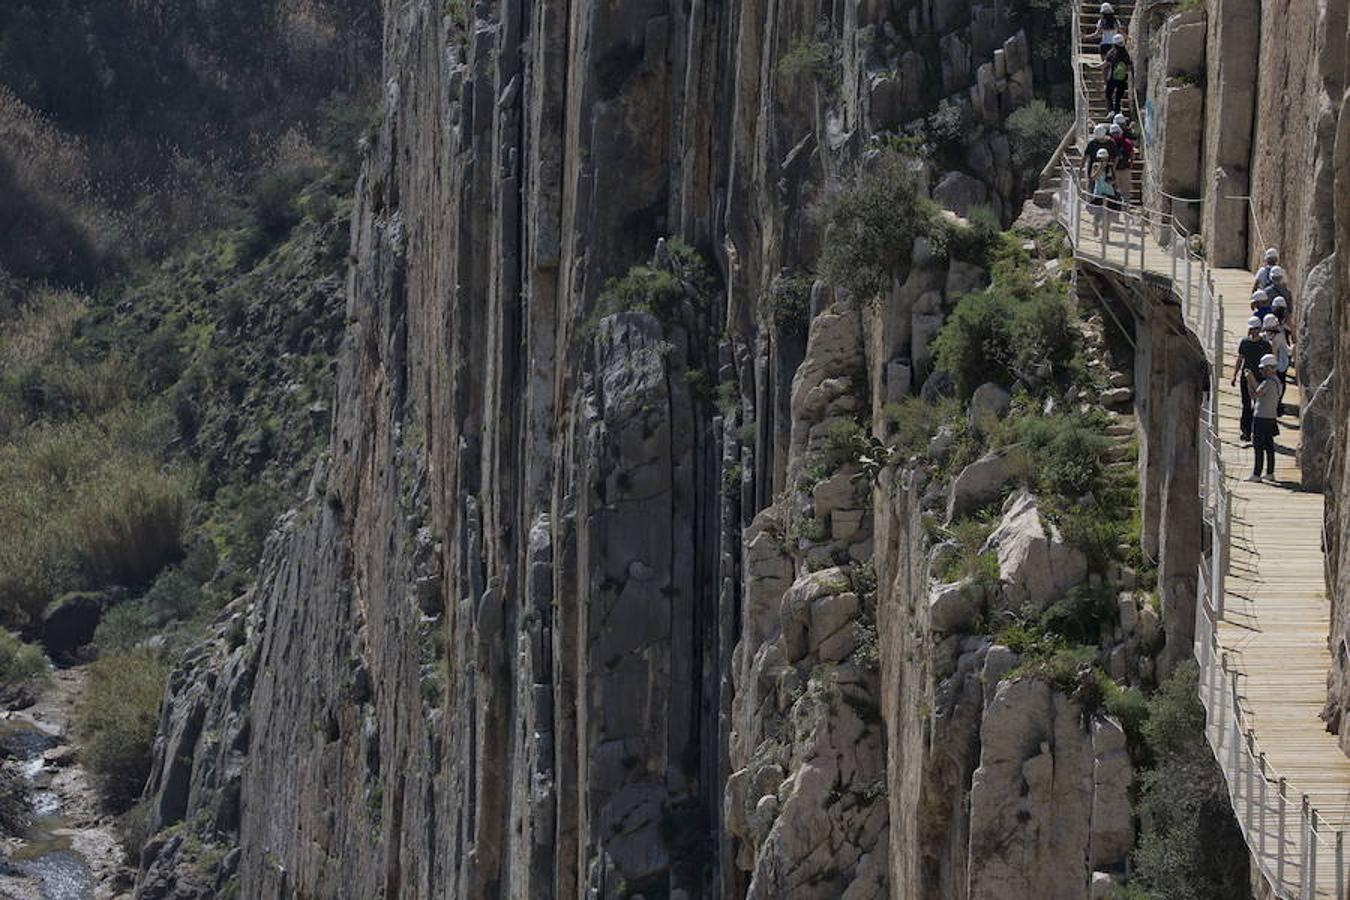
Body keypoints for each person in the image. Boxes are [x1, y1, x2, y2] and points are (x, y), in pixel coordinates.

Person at [1231, 315, 1271, 444]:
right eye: (1252, 329)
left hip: (1260, 378)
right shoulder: (1245, 343)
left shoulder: (1266, 345)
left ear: (1260, 329)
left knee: (1259, 406)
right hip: (1246, 379)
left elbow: (1270, 364)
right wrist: (1234, 375)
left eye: (1256, 329)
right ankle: (1246, 432)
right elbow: (1240, 359)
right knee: (1246, 405)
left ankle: (1257, 431)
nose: (1254, 331)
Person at [1244, 354, 1281, 483]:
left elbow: (1254, 395)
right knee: (1269, 446)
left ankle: (1256, 474)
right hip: (1271, 417)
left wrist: (1249, 380)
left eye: (1264, 368)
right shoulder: (1277, 382)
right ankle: (1270, 473)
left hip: (1261, 418)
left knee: (1258, 446)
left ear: (1270, 368)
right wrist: (1252, 379)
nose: (1262, 371)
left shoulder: (1268, 383)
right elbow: (1259, 390)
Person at [1089, 148, 1119, 236]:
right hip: (1098, 192)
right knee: (1098, 213)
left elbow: (1114, 179)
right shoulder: (1095, 166)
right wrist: (1100, 168)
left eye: (1105, 159)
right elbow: (1093, 178)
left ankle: (1106, 235)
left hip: (1109, 192)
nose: (1103, 161)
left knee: (1108, 215)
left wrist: (1111, 181)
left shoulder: (1110, 166)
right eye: (1101, 159)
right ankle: (1096, 227)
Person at [1104, 34, 1132, 113]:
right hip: (1122, 80)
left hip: (1112, 78)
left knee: (1108, 95)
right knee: (1118, 98)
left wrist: (1094, 66)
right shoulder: (1126, 54)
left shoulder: (1111, 53)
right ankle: (1117, 112)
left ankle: (1111, 110)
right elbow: (1129, 68)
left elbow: (1105, 64)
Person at [1110, 123, 1134, 201]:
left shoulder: (1127, 143)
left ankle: (1125, 208)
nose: (1115, 135)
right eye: (1114, 133)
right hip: (1115, 169)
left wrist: (1131, 163)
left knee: (1125, 190)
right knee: (1116, 190)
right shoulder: (1111, 144)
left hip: (1124, 168)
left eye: (1116, 132)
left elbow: (1131, 153)